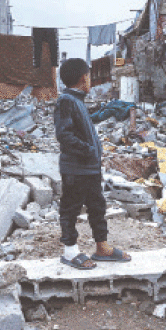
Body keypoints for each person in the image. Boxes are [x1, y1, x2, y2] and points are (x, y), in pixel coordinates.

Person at [54, 58, 131, 269]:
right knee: (71, 208)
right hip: (75, 169)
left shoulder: (77, 101)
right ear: (82, 78)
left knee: (97, 206)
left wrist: (103, 114)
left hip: (89, 168)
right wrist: (88, 151)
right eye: (89, 76)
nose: (90, 81)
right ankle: (70, 252)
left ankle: (102, 247)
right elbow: (64, 135)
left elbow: (82, 123)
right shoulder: (66, 101)